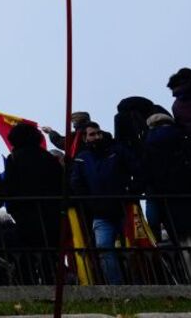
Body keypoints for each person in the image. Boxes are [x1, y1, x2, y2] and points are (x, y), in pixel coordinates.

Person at [141, 113, 191, 285]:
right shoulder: (185, 137)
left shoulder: (148, 144)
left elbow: (148, 176)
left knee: (187, 250)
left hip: (171, 203)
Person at [70, 121, 138, 285]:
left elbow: (137, 168)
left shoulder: (117, 150)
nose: (96, 136)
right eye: (92, 134)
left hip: (124, 208)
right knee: (103, 248)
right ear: (85, 138)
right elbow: (76, 184)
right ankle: (116, 287)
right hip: (100, 213)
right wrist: (91, 204)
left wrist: (131, 192)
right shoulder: (81, 159)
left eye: (98, 133)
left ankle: (137, 282)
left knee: (133, 247)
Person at [2, 122, 62, 284]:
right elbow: (59, 181)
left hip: (26, 211)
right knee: (50, 249)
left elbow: (10, 186)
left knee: (30, 250)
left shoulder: (14, 158)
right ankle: (53, 279)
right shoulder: (47, 157)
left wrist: (14, 208)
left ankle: (31, 281)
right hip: (50, 210)